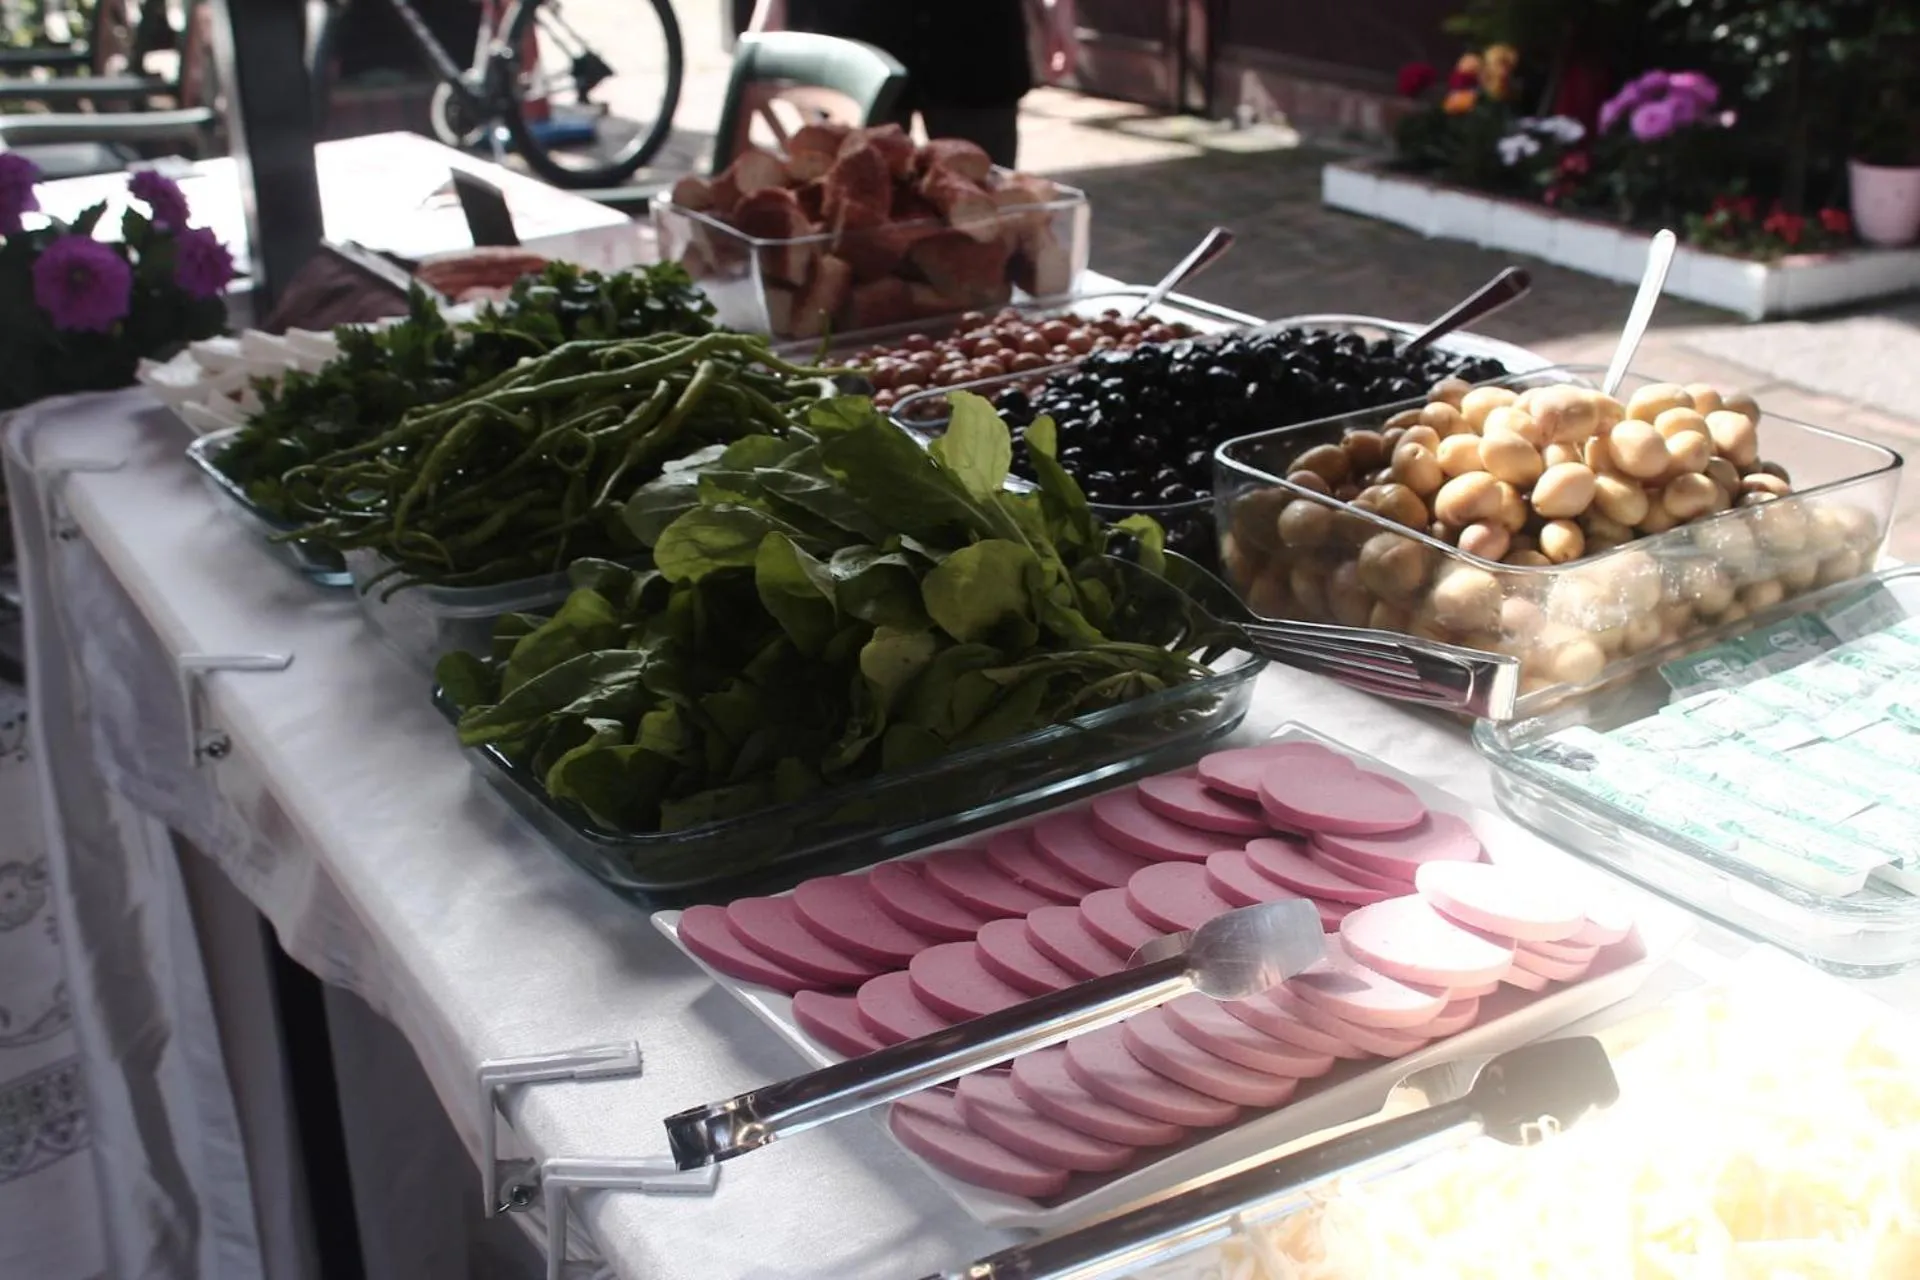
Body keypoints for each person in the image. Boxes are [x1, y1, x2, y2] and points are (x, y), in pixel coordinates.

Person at [782, 0, 1035, 167]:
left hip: (975, 37)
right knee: (854, 206)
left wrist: (1059, 10)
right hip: (859, 29)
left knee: (985, 207)